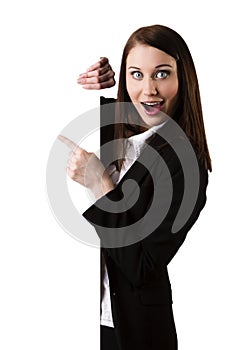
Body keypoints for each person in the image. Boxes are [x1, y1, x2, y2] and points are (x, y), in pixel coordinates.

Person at [59, 25, 212, 350]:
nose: (148, 90)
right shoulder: (116, 131)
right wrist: (87, 81)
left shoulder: (186, 166)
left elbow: (141, 267)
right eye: (136, 74)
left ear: (183, 79)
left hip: (131, 332)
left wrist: (101, 184)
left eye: (161, 74)